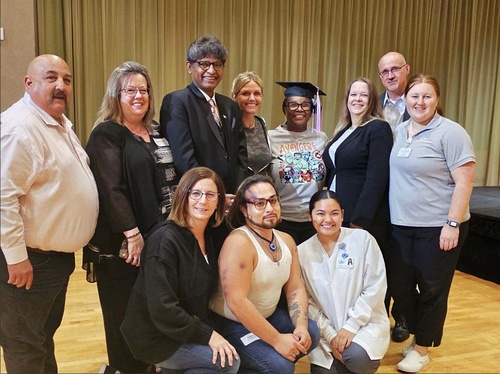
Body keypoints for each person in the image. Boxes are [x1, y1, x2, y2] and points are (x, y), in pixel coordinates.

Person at [0, 54, 99, 373]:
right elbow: (2, 197)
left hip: (51, 262)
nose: (61, 86)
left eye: (66, 80)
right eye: (51, 77)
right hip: (28, 263)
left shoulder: (56, 123)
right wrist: (16, 257)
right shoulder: (21, 128)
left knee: (42, 336)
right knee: (25, 344)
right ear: (29, 83)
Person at [84, 61, 178, 373]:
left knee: (149, 316)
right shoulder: (107, 134)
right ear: (116, 95)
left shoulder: (155, 132)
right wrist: (132, 234)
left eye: (143, 90)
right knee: (124, 318)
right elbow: (111, 189)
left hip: (158, 240)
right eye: (130, 90)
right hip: (124, 248)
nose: (138, 96)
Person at [390, 74, 475, 372]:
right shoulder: (401, 131)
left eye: (427, 96)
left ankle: (423, 347)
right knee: (400, 287)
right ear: (406, 99)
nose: (420, 102)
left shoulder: (451, 133)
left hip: (438, 227)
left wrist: (452, 223)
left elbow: (465, 182)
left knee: (432, 288)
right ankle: (420, 333)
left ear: (437, 100)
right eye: (414, 96)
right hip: (401, 226)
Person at [120, 167, 239, 373]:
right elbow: (163, 308)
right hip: (156, 337)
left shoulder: (208, 235)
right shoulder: (164, 241)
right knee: (228, 363)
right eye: (196, 193)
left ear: (219, 201)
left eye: (210, 195)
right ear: (183, 196)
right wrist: (210, 336)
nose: (203, 201)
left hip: (183, 329)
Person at [209, 175, 320, 373]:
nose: (269, 209)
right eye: (259, 203)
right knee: (281, 367)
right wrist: (277, 340)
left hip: (267, 316)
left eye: (273, 200)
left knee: (311, 332)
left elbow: (295, 288)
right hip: (232, 324)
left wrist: (300, 326)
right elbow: (236, 302)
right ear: (244, 209)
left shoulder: (286, 240)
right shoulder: (239, 243)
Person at [298, 190, 390, 374]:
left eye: (334, 213)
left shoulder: (362, 239)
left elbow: (375, 287)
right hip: (326, 330)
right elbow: (307, 301)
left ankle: (352, 358)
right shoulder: (301, 252)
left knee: (356, 358)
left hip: (364, 324)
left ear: (342, 215)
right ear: (310, 216)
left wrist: (352, 326)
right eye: (320, 213)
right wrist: (331, 335)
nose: (328, 220)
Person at [160, 34, 247, 195]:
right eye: (204, 64)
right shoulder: (177, 102)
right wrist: (212, 194)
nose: (211, 71)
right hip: (198, 198)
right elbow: (183, 158)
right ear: (189, 66)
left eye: (217, 64)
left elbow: (241, 156)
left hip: (231, 199)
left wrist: (237, 193)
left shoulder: (230, 106)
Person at [269, 82, 328, 245]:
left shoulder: (321, 138)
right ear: (285, 109)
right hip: (282, 218)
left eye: (305, 105)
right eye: (293, 104)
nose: (299, 109)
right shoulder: (271, 137)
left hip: (313, 219)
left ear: (312, 110)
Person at [231, 71, 272, 176]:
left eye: (257, 94)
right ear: (234, 96)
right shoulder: (229, 126)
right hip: (238, 189)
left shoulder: (261, 123)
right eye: (246, 93)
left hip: (262, 188)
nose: (252, 98)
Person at [378, 52, 411, 134]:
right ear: (380, 76)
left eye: (395, 69)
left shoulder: (418, 103)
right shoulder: (373, 105)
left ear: (407, 69)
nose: (390, 76)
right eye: (385, 72)